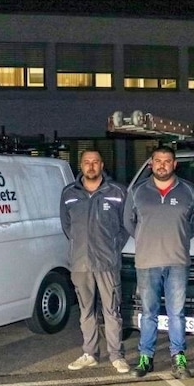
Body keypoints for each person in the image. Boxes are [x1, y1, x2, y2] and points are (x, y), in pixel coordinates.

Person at [123, 145, 194, 379]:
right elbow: (128, 222)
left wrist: (176, 237)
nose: (162, 165)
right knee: (149, 313)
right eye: (157, 160)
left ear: (174, 164)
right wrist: (147, 238)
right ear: (151, 164)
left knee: (176, 313)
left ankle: (178, 359)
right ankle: (146, 359)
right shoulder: (138, 191)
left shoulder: (189, 190)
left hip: (177, 261)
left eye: (167, 161)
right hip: (147, 262)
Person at [60, 150, 130, 374]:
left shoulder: (117, 192)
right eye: (86, 163)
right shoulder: (69, 193)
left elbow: (126, 225)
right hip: (80, 264)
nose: (91, 166)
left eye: (95, 162)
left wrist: (112, 247)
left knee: (112, 311)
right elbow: (67, 226)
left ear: (102, 165)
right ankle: (89, 353)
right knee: (86, 312)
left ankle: (116, 356)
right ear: (80, 165)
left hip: (107, 263)